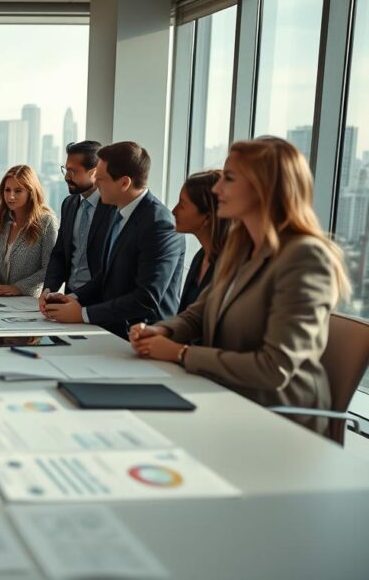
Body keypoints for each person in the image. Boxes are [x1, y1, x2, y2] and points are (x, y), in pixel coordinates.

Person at [130, 137, 350, 435]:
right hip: (225, 397)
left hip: (278, 420)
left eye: (230, 179)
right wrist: (163, 331)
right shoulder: (242, 246)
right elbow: (200, 312)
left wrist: (180, 353)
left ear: (265, 187)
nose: (218, 188)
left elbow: (275, 368)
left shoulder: (305, 257)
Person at [41, 141, 185, 339]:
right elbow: (107, 276)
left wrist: (83, 314)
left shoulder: (159, 223)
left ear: (124, 183)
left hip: (146, 337)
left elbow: (147, 298)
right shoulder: (122, 214)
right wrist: (71, 298)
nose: (96, 185)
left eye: (101, 179)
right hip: (116, 330)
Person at [43, 141, 117, 294]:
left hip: (101, 301)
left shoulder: (114, 208)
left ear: (94, 173)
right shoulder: (69, 204)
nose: (67, 177)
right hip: (69, 297)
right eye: (65, 170)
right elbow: (60, 254)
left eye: (73, 172)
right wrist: (48, 290)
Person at [0, 165, 58, 297]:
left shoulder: (46, 221)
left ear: (31, 192)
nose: (11, 196)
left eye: (18, 191)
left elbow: (50, 267)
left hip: (26, 301)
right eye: (7, 190)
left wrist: (18, 288)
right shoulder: (1, 218)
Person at [172, 170, 230, 313]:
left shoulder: (229, 265)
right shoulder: (200, 256)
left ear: (207, 217)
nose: (174, 211)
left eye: (182, 204)